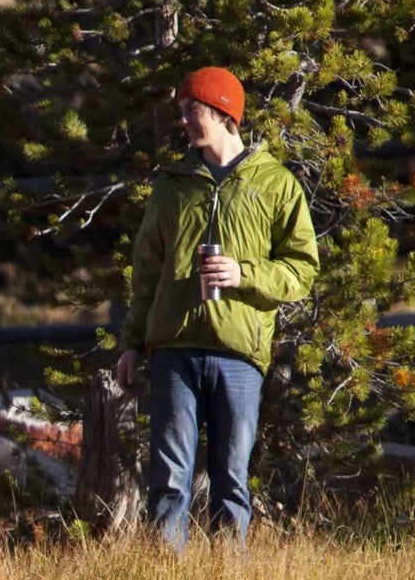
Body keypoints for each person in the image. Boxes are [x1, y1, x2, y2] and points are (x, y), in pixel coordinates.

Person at [113, 67, 320, 550]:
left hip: (240, 355)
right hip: (174, 350)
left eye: (193, 111)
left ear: (225, 113)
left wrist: (242, 274)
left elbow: (302, 270)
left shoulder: (275, 184)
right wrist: (132, 344)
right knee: (169, 480)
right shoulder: (173, 185)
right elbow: (146, 273)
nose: (184, 122)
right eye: (183, 112)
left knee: (231, 481)